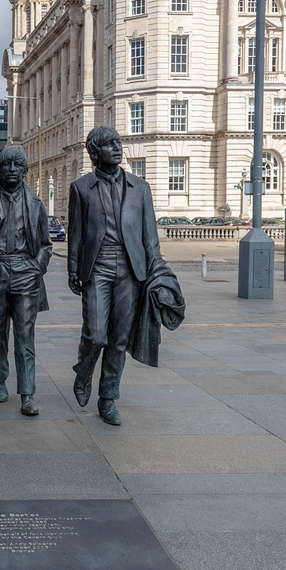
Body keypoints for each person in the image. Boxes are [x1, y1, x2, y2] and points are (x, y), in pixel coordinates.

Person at [67, 125, 161, 426]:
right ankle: (83, 372)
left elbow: (150, 236)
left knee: (119, 339)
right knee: (95, 333)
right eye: (110, 144)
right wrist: (73, 270)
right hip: (97, 267)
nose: (118, 148)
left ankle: (108, 398)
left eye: (118, 142)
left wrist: (155, 271)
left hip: (131, 270)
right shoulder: (81, 188)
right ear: (95, 152)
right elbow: (76, 235)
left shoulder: (140, 187)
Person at [0, 146, 51, 416]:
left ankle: (27, 393)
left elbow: (45, 244)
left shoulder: (35, 203)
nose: (12, 169)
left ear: (25, 170)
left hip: (26, 272)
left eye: (17, 165)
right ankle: (0, 379)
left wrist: (35, 267)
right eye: (7, 165)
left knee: (25, 336)